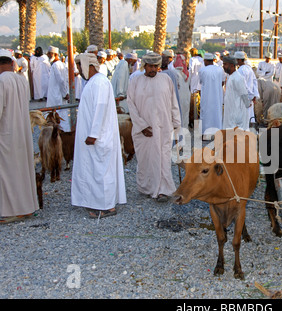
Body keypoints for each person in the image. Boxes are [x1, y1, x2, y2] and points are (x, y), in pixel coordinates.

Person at [71, 53, 126, 218]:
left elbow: (100, 108)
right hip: (92, 137)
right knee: (94, 171)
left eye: (80, 66)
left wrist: (93, 134)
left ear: (88, 65)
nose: (79, 70)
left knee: (102, 172)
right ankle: (95, 202)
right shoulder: (93, 82)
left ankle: (107, 207)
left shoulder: (100, 82)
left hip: (99, 137)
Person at [127, 53, 181, 202]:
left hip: (163, 127)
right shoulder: (135, 81)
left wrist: (177, 123)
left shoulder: (166, 79)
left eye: (155, 66)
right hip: (144, 131)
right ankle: (148, 188)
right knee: (146, 160)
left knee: (163, 158)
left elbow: (173, 103)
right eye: (150, 66)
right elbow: (131, 105)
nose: (153, 69)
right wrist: (142, 126)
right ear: (144, 66)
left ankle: (164, 190)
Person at [0, 49, 39, 224]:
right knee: (22, 171)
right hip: (22, 133)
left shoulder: (2, 81)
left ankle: (11, 210)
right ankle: (26, 207)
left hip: (6, 135)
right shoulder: (21, 80)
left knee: (8, 174)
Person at [198, 52, 224, 138]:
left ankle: (205, 134)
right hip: (217, 97)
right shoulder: (220, 69)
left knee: (206, 114)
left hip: (206, 97)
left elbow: (201, 82)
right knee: (217, 113)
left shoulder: (202, 70)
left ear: (205, 60)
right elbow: (222, 82)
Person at [222, 55, 250, 131]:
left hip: (237, 113)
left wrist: (247, 106)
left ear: (231, 65)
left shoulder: (237, 78)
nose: (223, 66)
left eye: (225, 64)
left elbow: (244, 95)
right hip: (231, 112)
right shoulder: (231, 77)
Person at [46, 46, 70, 131]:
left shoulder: (56, 65)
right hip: (59, 94)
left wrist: (65, 93)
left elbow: (61, 80)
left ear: (55, 54)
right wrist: (66, 92)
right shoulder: (61, 64)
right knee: (62, 115)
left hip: (57, 95)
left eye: (50, 53)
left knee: (59, 116)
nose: (48, 55)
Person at [235, 51, 259, 125]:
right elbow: (255, 82)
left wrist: (251, 96)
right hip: (249, 97)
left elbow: (243, 85)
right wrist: (254, 95)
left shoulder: (240, 71)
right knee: (250, 117)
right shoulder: (249, 69)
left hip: (244, 98)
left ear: (239, 60)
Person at [172, 53, 191, 130]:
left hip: (177, 97)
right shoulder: (187, 73)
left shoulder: (173, 73)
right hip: (186, 97)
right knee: (185, 113)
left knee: (178, 115)